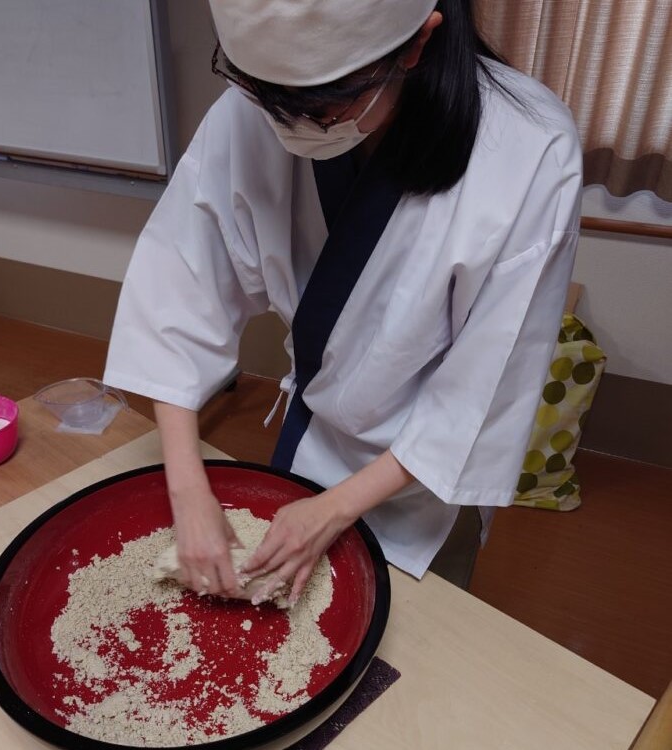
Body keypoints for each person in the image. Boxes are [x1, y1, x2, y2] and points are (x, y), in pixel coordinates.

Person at [104, 0, 583, 605]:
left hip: (423, 476)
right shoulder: (259, 105)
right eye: (262, 93)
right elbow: (179, 288)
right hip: (314, 438)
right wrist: (188, 490)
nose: (287, 123)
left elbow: (482, 393)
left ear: (415, 45)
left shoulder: (529, 150)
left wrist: (335, 510)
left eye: (323, 107)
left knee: (413, 648)